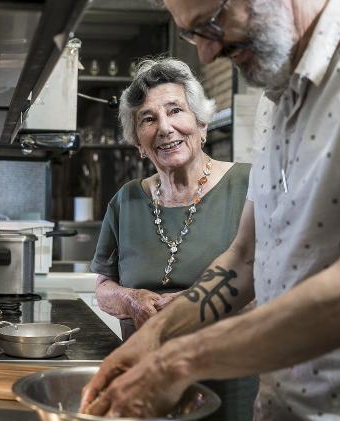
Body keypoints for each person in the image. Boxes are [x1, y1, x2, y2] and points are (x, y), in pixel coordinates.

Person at [80, 0, 340, 419]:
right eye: (193, 33)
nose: (205, 53)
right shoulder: (274, 102)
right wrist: (156, 336)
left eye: (211, 23)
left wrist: (178, 360)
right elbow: (246, 257)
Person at [89, 57, 256, 420]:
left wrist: (192, 306)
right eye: (148, 119)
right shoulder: (126, 200)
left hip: (228, 381)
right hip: (142, 384)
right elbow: (103, 285)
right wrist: (130, 299)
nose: (164, 128)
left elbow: (278, 287)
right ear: (138, 141)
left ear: (202, 123)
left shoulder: (249, 186)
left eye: (175, 110)